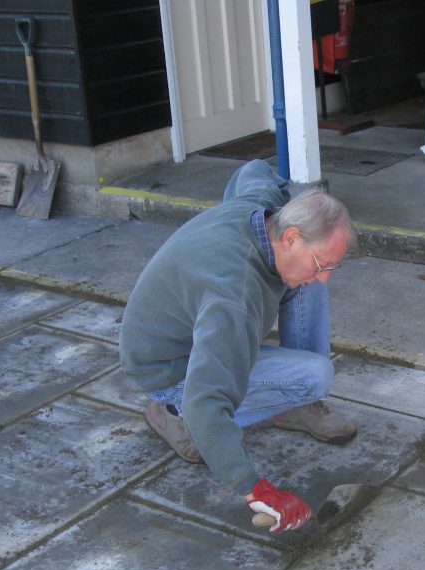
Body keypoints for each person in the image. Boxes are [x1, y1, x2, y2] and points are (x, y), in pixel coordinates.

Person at [120, 160, 357, 535]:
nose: (325, 275)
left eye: (332, 265)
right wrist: (253, 486)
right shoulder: (235, 297)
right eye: (321, 263)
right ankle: (171, 413)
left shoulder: (262, 209)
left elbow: (254, 169)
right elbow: (207, 399)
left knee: (310, 291)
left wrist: (289, 195)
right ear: (292, 237)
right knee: (315, 374)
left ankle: (294, 410)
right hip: (170, 370)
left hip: (181, 332)